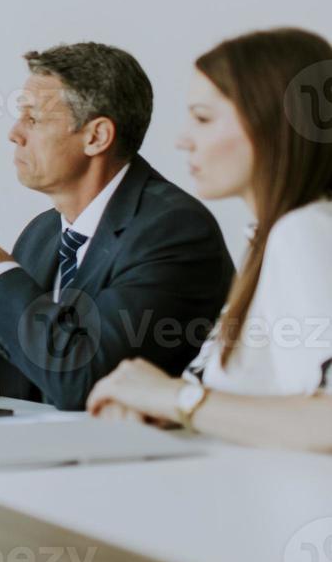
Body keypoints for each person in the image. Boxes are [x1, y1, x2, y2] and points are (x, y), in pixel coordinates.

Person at [0, 42, 235, 410]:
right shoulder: (42, 234)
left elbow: (87, 382)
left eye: (33, 119)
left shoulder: (173, 231)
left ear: (96, 137)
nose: (14, 133)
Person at [88, 28, 332, 453]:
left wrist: (177, 398)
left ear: (272, 124)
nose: (183, 139)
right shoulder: (268, 239)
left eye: (202, 118)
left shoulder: (303, 232)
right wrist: (156, 403)